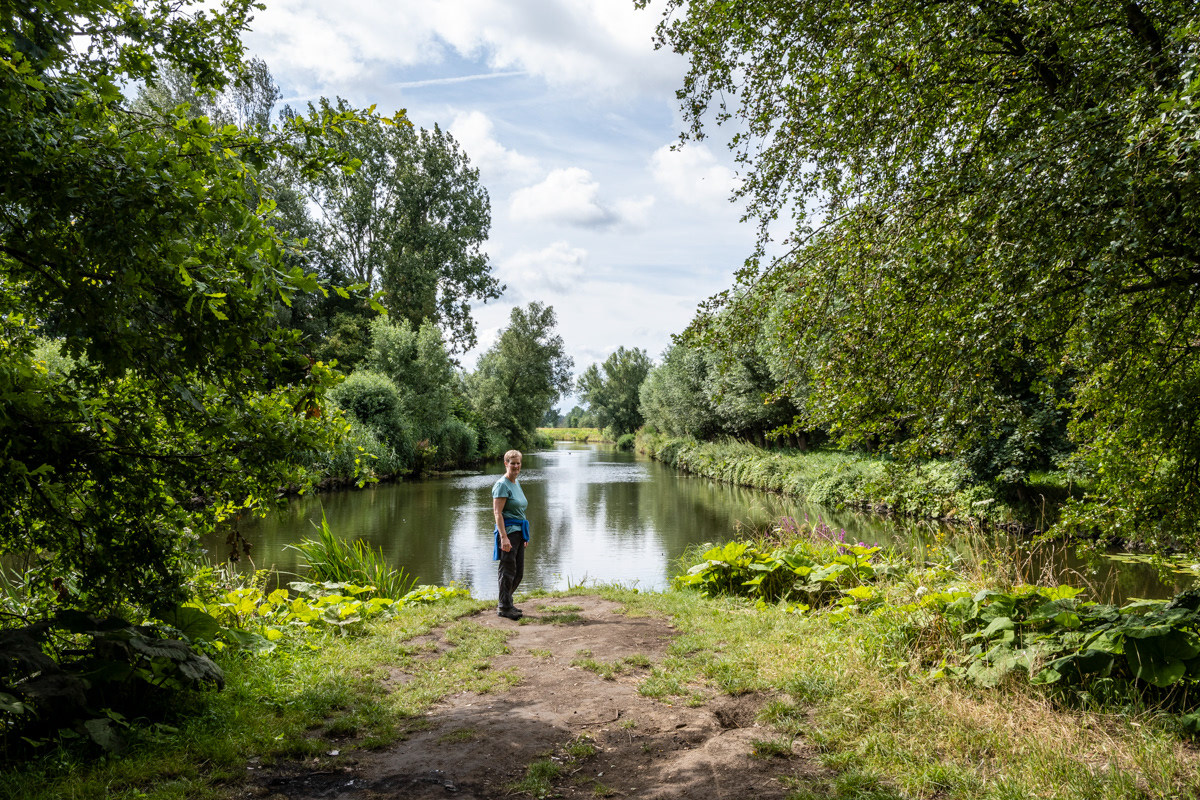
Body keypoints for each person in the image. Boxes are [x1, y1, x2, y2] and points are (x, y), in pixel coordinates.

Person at [492, 449, 529, 620]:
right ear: (506, 464)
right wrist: (503, 537)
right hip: (508, 533)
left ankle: (507, 601)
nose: (516, 466)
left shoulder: (516, 482)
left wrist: (524, 536)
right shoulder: (502, 484)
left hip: (518, 533)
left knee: (518, 572)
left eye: (518, 463)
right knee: (507, 570)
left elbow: (519, 509)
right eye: (512, 463)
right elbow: (497, 513)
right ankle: (504, 607)